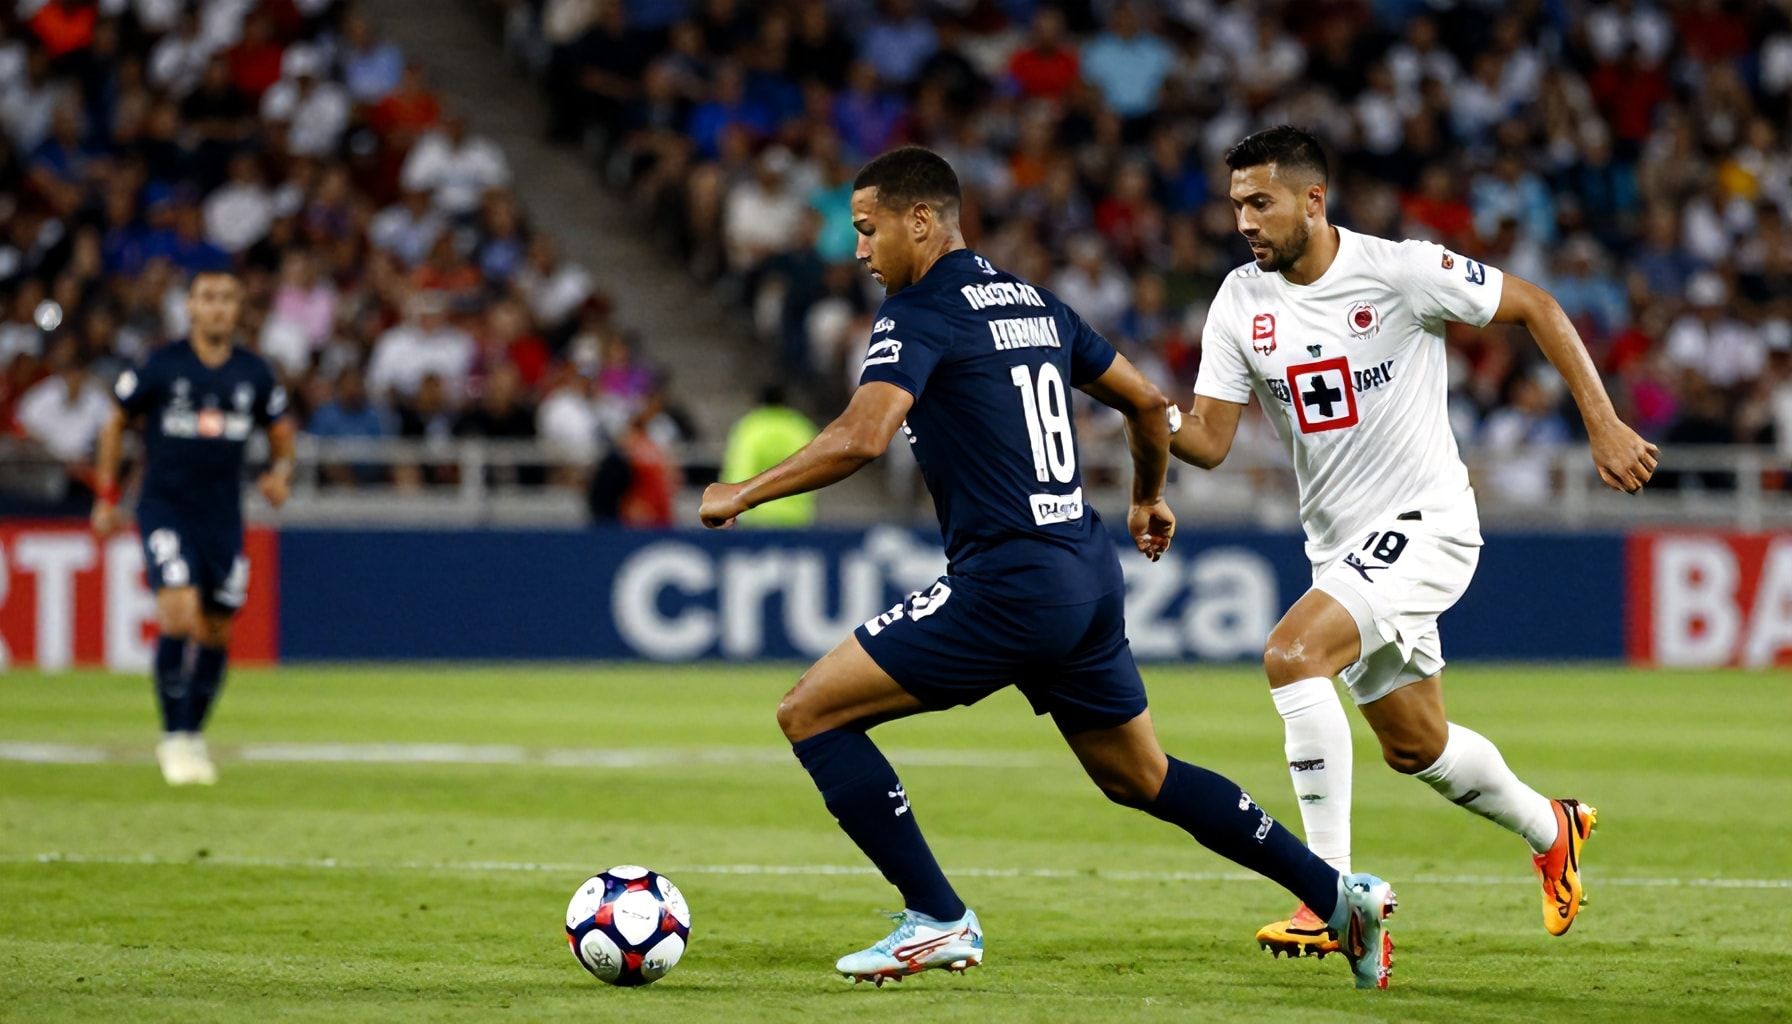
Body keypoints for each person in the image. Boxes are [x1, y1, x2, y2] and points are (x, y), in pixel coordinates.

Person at [699, 146, 1397, 990]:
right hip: (1086, 571)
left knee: (809, 713)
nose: (859, 250)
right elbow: (1145, 401)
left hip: (1008, 584)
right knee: (1143, 776)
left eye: (867, 228)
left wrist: (744, 490)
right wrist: (1147, 496)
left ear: (921, 221)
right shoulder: (1033, 301)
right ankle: (1336, 895)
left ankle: (938, 918)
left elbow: (862, 435)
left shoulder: (918, 312)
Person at [1166, 126, 1658, 957]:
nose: (1245, 221)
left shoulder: (1398, 270)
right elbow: (1209, 440)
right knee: (1416, 746)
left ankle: (1332, 898)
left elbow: (1537, 304)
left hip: (1426, 525)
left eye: (1261, 202)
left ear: (1312, 200)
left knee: (1291, 656)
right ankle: (1553, 827)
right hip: (1342, 551)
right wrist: (1139, 406)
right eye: (1236, 205)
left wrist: (1602, 425)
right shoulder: (1239, 301)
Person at [91, 272, 294, 787]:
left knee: (218, 628)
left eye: (227, 298)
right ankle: (173, 737)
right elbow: (115, 421)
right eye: (208, 298)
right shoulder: (162, 364)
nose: (217, 308)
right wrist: (107, 495)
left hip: (223, 517)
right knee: (178, 611)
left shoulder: (254, 373)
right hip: (165, 508)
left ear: (239, 306)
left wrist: (280, 472)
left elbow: (281, 430)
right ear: (190, 307)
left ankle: (194, 733)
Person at [720, 384, 818, 526]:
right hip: (796, 516)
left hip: (756, 517)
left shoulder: (750, 428)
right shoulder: (801, 428)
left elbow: (740, 469)